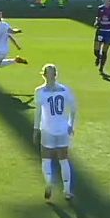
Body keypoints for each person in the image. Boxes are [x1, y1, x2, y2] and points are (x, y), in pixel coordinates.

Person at [32, 64, 77, 202]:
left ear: (44, 75)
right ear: (56, 75)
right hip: (62, 130)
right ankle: (67, 191)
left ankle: (48, 183)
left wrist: (35, 130)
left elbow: (38, 113)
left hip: (47, 130)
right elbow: (73, 109)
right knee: (64, 161)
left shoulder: (39, 91)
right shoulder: (65, 89)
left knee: (46, 160)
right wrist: (70, 124)